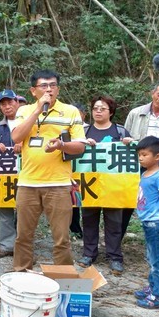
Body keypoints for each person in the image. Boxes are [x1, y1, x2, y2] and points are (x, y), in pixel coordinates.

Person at [11, 70, 86, 271]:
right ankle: (21, 275)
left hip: (59, 185)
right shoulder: (23, 111)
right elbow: (16, 138)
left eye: (52, 85)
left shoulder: (70, 111)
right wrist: (37, 110)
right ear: (33, 90)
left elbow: (80, 147)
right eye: (43, 86)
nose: (49, 89)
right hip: (28, 184)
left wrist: (61, 146)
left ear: (58, 88)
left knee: (61, 238)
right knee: (23, 236)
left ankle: (63, 279)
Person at [77, 96, 133, 274]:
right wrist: (83, 143)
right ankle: (89, 253)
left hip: (114, 185)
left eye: (102, 108)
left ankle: (115, 256)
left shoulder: (121, 131)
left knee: (114, 222)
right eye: (95, 108)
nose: (98, 111)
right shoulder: (84, 131)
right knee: (88, 219)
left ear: (111, 111)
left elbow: (134, 155)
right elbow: (74, 152)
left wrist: (130, 144)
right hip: (90, 184)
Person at [122, 82, 159, 237]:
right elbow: (125, 135)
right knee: (128, 200)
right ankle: (116, 243)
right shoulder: (136, 113)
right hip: (138, 161)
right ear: (152, 93)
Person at [133, 136, 159, 309]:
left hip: (156, 224)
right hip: (148, 223)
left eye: (144, 154)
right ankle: (152, 288)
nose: (140, 158)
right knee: (152, 258)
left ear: (157, 157)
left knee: (158, 262)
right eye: (139, 155)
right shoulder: (145, 173)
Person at [0, 89, 21, 258]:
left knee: (25, 211)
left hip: (26, 174)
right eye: (3, 104)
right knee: (5, 210)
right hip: (4, 175)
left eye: (10, 102)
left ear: (17, 102)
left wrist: (24, 145)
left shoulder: (29, 122)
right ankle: (7, 245)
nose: (7, 106)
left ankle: (23, 248)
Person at [69, 102, 89, 239]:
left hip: (88, 170)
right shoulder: (64, 127)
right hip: (70, 169)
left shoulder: (89, 128)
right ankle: (75, 229)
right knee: (72, 200)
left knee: (88, 199)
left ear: (84, 114)